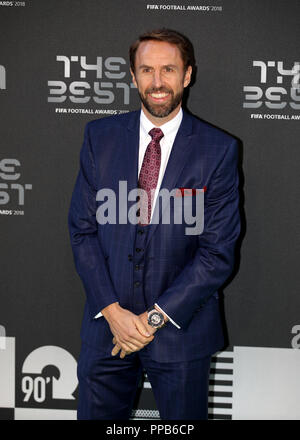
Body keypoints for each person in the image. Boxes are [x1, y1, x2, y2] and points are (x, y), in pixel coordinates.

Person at [68, 28, 240, 420]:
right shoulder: (100, 137)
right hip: (106, 333)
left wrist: (151, 320)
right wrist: (113, 313)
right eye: (147, 70)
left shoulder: (219, 150)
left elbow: (217, 253)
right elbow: (83, 229)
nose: (158, 82)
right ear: (132, 76)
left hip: (181, 335)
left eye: (168, 69)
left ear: (188, 75)